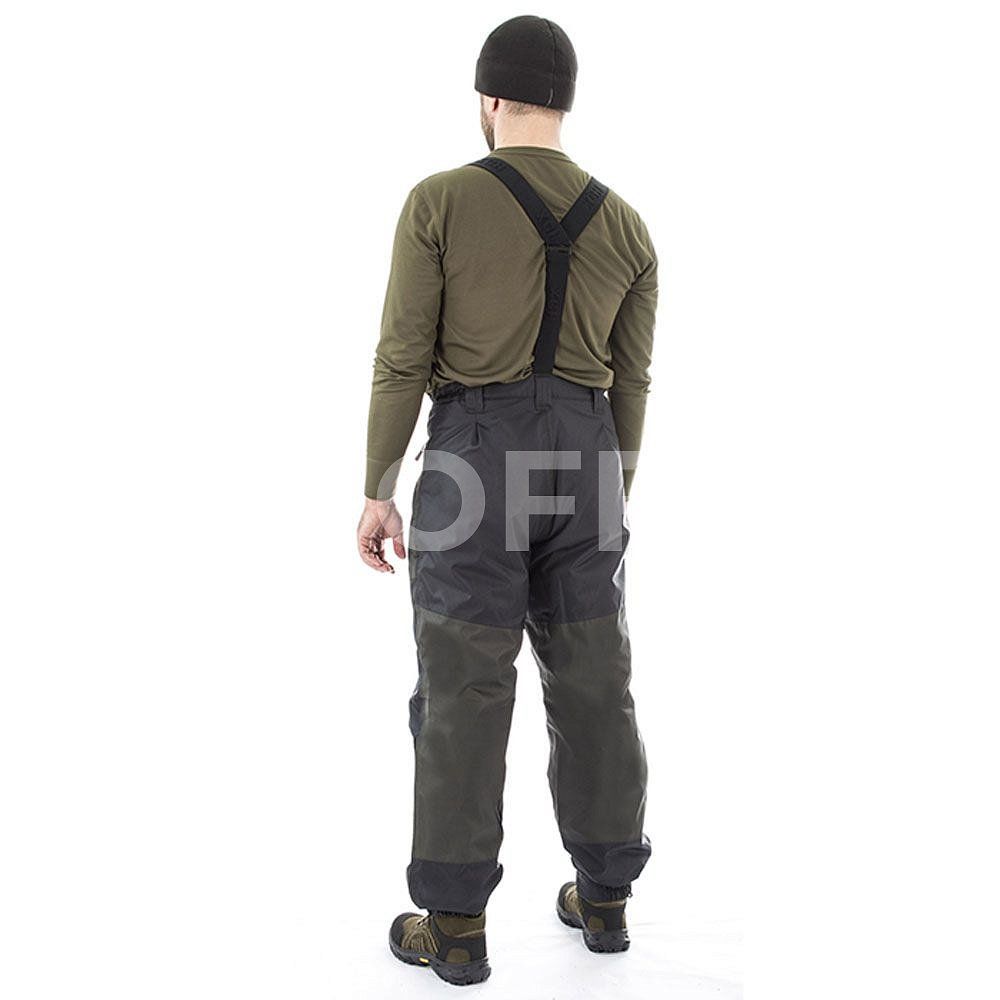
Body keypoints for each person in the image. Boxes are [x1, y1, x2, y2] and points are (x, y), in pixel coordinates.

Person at [357, 15, 657, 986]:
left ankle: (454, 928)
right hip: (589, 461)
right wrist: (611, 494)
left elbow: (403, 355)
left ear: (490, 99)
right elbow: (632, 379)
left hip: (471, 465)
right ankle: (604, 899)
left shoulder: (438, 201)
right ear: (564, 102)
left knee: (464, 685)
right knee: (594, 679)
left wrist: (378, 487)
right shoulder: (629, 227)